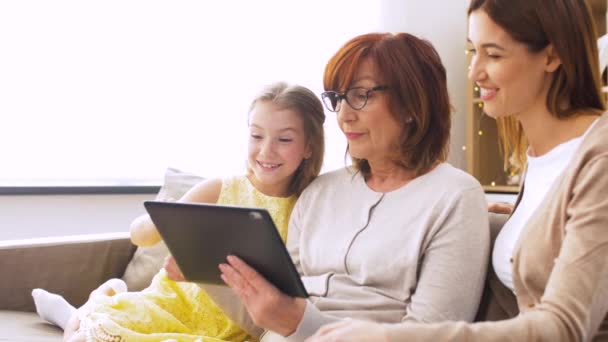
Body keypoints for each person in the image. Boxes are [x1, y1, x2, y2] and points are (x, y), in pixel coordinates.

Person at [306, 0, 608, 341]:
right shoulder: (541, 157)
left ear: (552, 57)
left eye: (493, 54)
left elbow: (565, 327)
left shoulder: (600, 157)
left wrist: (386, 337)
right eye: (473, 51)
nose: (474, 71)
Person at [165, 32, 491, 341]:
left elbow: (431, 334)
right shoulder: (319, 192)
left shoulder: (455, 197)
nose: (344, 115)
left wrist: (298, 321)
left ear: (412, 104)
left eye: (361, 96)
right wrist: (210, 275)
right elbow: (267, 319)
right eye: (338, 98)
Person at [31, 81, 326, 342]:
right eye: (256, 136)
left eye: (284, 139)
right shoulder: (219, 189)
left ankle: (78, 309)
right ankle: (95, 301)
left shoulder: (311, 206)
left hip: (234, 323)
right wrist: (167, 222)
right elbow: (139, 234)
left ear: (309, 147)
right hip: (173, 302)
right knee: (84, 339)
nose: (266, 151)